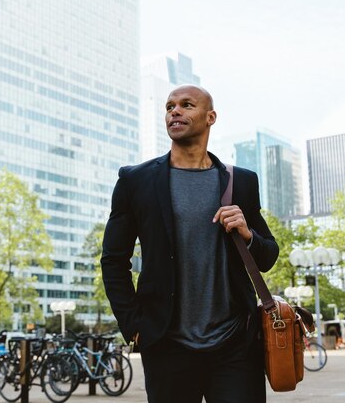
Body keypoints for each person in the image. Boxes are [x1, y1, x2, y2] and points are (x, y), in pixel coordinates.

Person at [101, 85, 279, 402]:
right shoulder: (135, 180)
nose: (175, 111)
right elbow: (114, 260)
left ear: (210, 117)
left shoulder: (241, 181)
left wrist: (247, 233)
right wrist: (133, 324)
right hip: (168, 345)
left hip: (235, 344)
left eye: (186, 105)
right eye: (169, 107)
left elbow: (267, 256)